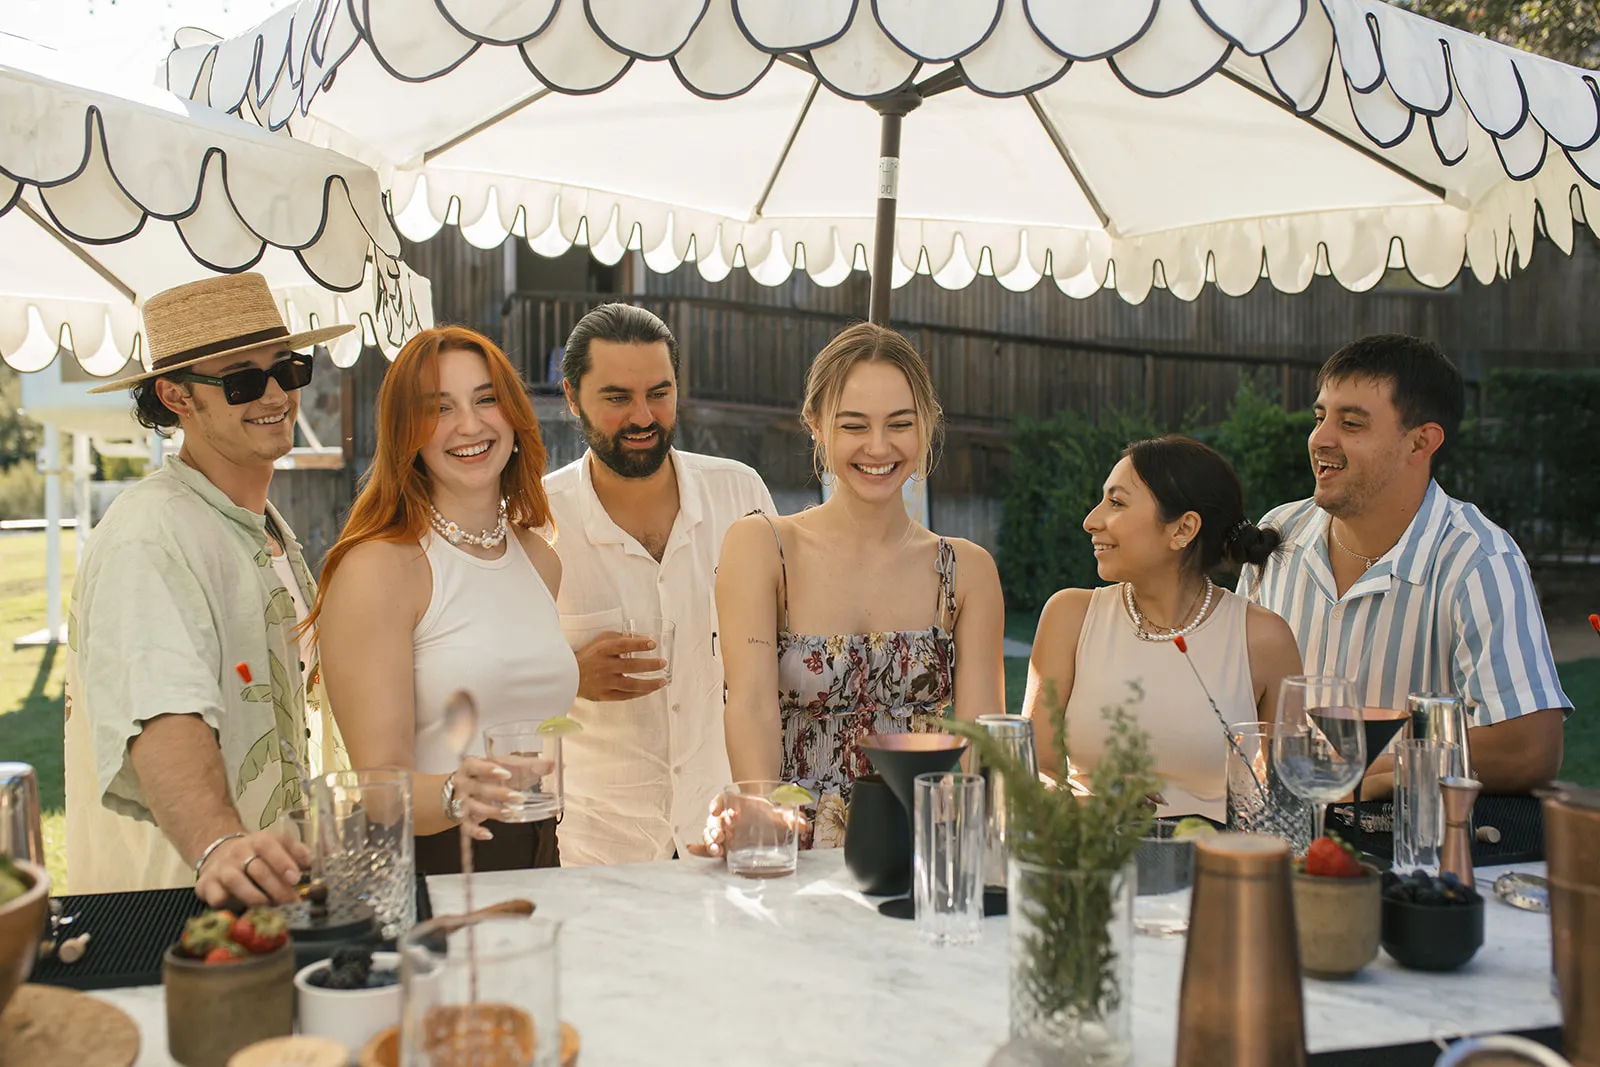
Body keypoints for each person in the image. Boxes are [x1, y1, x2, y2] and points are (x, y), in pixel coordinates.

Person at [64, 273, 349, 903]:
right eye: (242, 379)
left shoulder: (262, 526)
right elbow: (160, 707)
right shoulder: (150, 532)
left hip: (266, 892)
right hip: (178, 904)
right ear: (177, 397)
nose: (275, 394)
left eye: (287, 369)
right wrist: (220, 846)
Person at [715, 322, 1006, 848]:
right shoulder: (762, 548)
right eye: (854, 426)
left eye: (900, 423)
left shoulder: (967, 571)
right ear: (816, 425)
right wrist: (762, 821)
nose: (878, 447)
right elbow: (751, 704)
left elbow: (982, 746)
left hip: (925, 847)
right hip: (795, 843)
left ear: (927, 425)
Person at [1239, 334, 1568, 796]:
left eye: (1351, 424)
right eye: (1320, 417)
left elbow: (1529, 748)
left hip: (1409, 844)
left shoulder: (1479, 559)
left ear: (1421, 442)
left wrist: (1381, 772)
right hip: (1274, 828)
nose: (1320, 439)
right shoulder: (1279, 532)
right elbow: (1229, 691)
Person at [308, 326, 577, 873]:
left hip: (542, 853)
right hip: (439, 865)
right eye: (440, 409)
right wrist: (460, 793)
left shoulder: (539, 559)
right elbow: (380, 791)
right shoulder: (376, 569)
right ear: (407, 433)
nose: (470, 425)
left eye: (486, 400)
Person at [543, 304, 774, 865]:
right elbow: (491, 681)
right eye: (618, 397)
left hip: (725, 841)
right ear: (573, 398)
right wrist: (568, 674)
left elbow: (788, 650)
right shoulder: (537, 519)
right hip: (593, 852)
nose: (643, 415)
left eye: (660, 393)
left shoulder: (740, 497)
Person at [1024, 437, 1303, 820]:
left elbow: (1290, 799)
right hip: (1090, 863)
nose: (1091, 520)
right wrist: (1091, 807)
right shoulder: (1069, 617)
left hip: (1212, 868)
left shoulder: (1263, 639)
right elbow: (1035, 769)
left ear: (1183, 529)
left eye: (1116, 502)